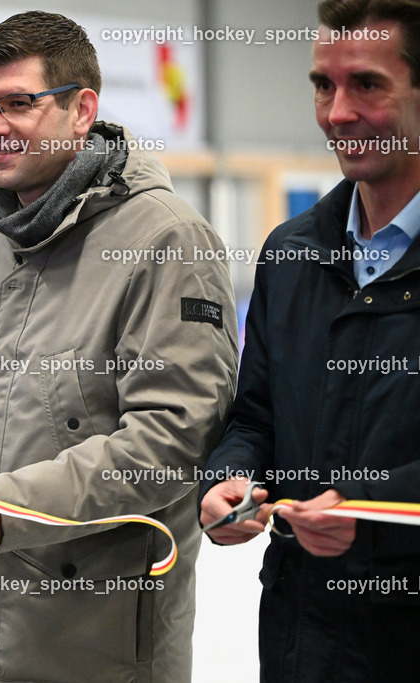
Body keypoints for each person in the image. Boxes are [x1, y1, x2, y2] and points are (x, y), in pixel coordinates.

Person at [0, 11, 239, 682]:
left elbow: (171, 439)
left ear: (82, 110)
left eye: (18, 103)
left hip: (96, 649)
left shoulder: (165, 243)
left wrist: (9, 509)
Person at [200, 1, 420, 680]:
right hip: (303, 642)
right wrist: (230, 475)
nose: (337, 113)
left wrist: (369, 511)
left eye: (367, 84)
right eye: (323, 85)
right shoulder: (291, 253)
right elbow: (258, 414)